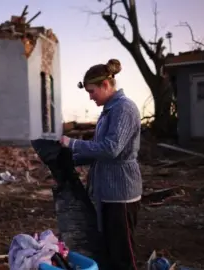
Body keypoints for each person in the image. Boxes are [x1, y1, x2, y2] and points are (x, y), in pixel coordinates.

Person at [60, 59, 142, 270]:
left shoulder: (124, 109)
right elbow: (99, 151)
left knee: (123, 252)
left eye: (92, 91)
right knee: (110, 248)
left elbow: (110, 149)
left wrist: (73, 143)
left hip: (121, 192)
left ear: (106, 85)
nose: (90, 97)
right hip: (107, 191)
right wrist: (69, 160)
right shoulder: (109, 110)